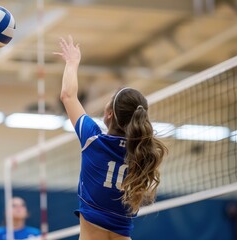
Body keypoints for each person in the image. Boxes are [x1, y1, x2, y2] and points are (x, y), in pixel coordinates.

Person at [54, 36, 167, 240]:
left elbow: (68, 96)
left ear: (109, 114)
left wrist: (72, 63)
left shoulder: (93, 140)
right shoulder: (142, 153)